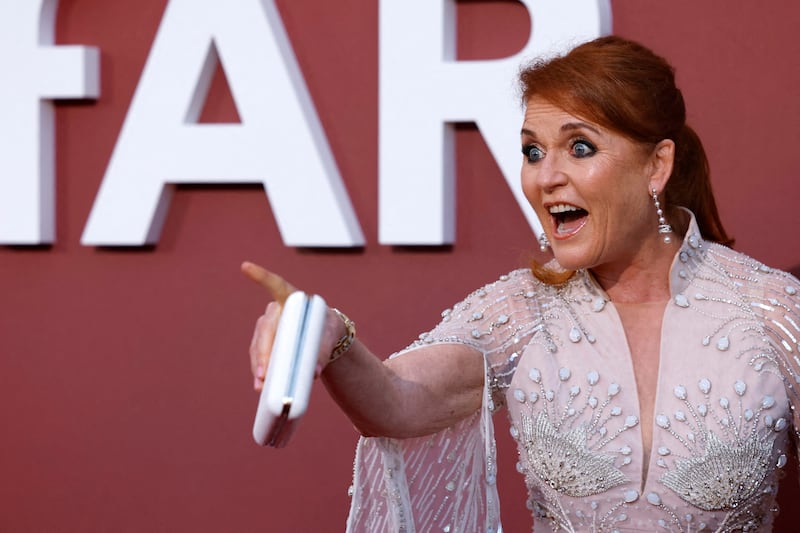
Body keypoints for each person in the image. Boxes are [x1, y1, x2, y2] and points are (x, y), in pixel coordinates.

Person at [243, 35, 800, 532]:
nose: (545, 176)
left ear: (656, 166)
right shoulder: (521, 312)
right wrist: (330, 333)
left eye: (579, 147)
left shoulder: (774, 311)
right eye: (533, 150)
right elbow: (397, 402)